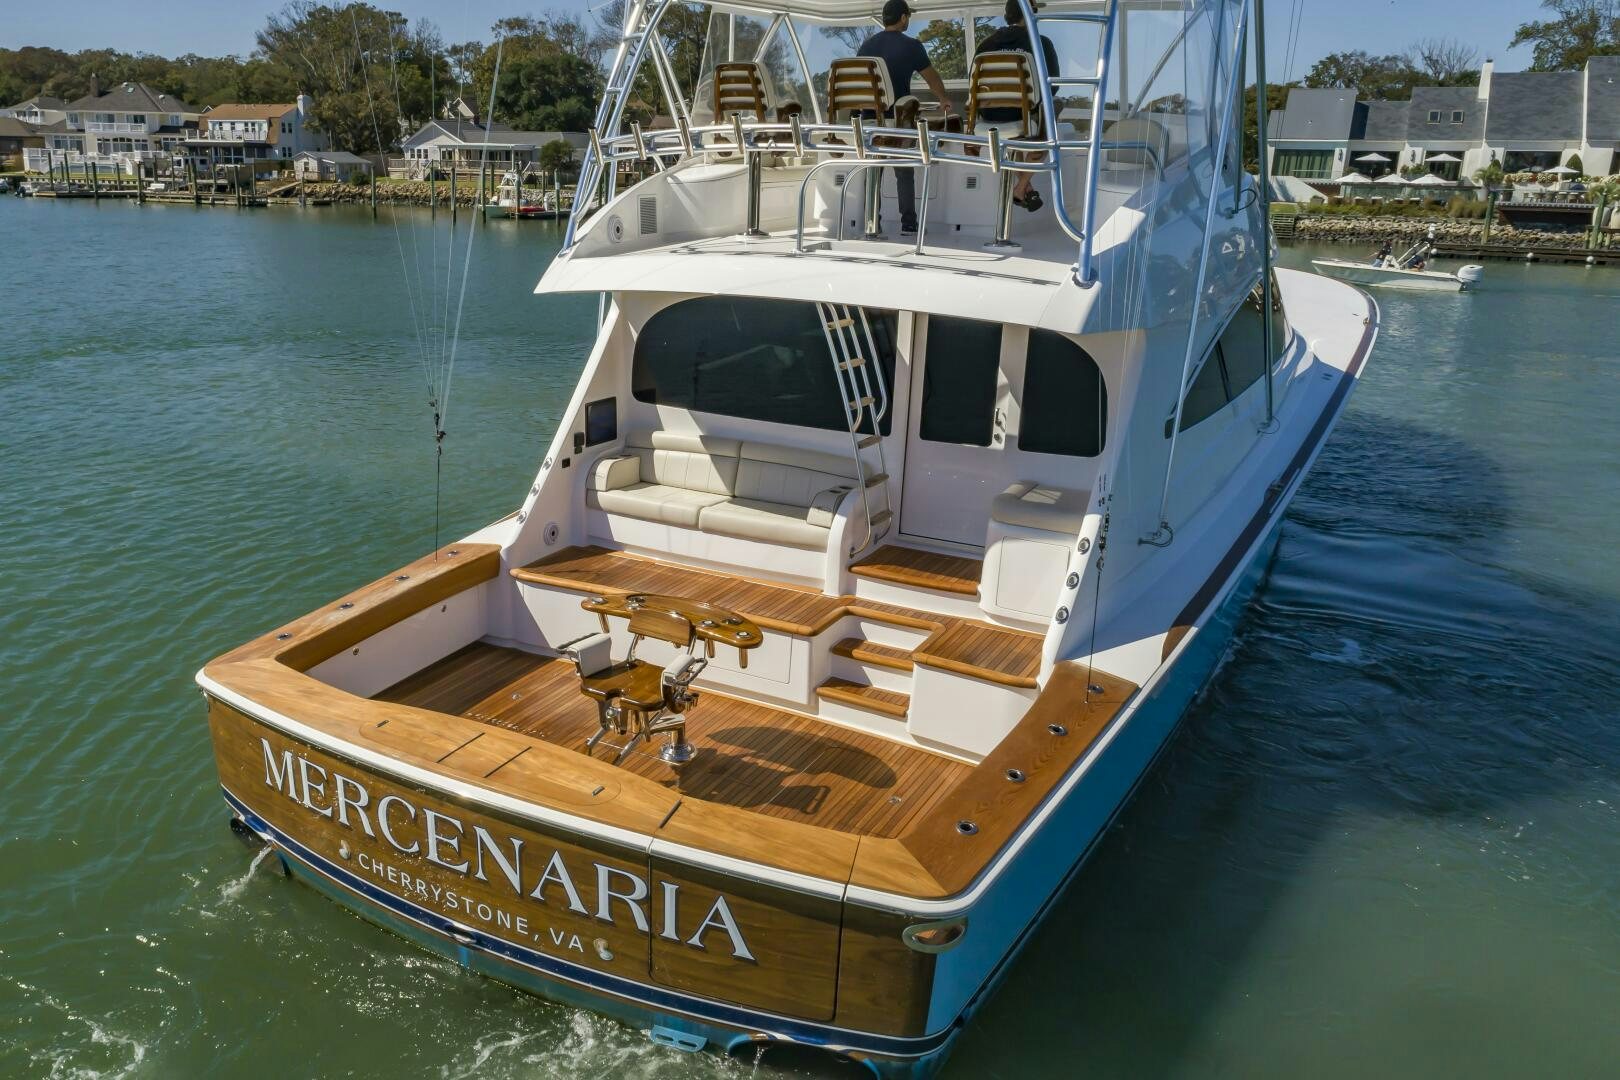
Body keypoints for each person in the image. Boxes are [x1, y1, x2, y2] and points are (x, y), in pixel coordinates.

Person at [858, 0, 956, 234]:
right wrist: (944, 99)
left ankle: (871, 223)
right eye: (908, 16)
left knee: (873, 169)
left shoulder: (866, 46)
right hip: (896, 121)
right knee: (904, 170)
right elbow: (932, 78)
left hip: (867, 122)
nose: (908, 20)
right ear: (903, 18)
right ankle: (909, 224)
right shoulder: (912, 46)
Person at [978, 0, 1060, 211]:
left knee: (1013, 134)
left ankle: (1025, 187)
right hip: (1020, 116)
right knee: (1051, 110)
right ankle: (1022, 186)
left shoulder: (985, 45)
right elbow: (1053, 87)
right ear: (1030, 13)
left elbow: (977, 86)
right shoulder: (1041, 42)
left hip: (989, 118)